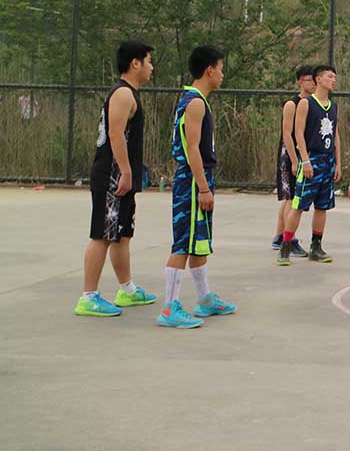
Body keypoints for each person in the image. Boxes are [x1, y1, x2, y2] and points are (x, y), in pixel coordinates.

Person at [76, 41, 158, 317]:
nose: (151, 67)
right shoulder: (123, 93)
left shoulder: (130, 93)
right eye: (148, 61)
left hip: (121, 175)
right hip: (111, 174)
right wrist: (125, 171)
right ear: (135, 63)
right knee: (102, 234)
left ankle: (127, 289)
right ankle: (88, 297)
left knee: (121, 234)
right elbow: (115, 134)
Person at [158, 46, 237, 329]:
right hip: (192, 181)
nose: (223, 75)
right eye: (221, 69)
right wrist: (202, 187)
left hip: (199, 178)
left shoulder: (197, 100)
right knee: (183, 242)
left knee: (198, 240)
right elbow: (192, 148)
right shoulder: (195, 103)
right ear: (209, 70)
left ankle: (204, 298)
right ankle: (169, 308)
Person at [277, 65, 341, 265]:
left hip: (328, 160)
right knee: (298, 205)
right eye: (330, 76)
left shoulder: (333, 106)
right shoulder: (306, 103)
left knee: (322, 206)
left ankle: (316, 246)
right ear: (318, 79)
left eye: (334, 77)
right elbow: (298, 133)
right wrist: (304, 160)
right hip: (312, 158)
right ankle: (285, 246)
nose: (333, 80)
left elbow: (336, 135)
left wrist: (338, 162)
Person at [272, 65, 315, 255]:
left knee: (289, 198)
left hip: (303, 155)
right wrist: (294, 160)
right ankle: (288, 241)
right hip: (289, 155)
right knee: (291, 198)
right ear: (299, 81)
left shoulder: (312, 104)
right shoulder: (292, 104)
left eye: (314, 79)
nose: (313, 83)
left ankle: (279, 237)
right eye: (308, 79)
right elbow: (287, 134)